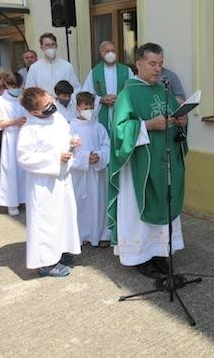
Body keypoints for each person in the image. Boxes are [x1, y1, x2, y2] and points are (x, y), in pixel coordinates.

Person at [107, 42, 188, 278]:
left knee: (164, 202)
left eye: (160, 64)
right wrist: (148, 126)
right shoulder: (128, 93)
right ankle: (141, 256)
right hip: (139, 166)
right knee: (139, 208)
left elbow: (173, 115)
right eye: (152, 64)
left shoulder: (163, 89)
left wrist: (181, 120)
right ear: (138, 64)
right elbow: (119, 131)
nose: (157, 69)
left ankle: (161, 253)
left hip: (163, 162)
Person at [17, 87, 81, 277]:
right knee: (46, 222)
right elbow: (24, 158)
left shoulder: (58, 118)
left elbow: (66, 135)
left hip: (63, 178)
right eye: (47, 105)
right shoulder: (29, 129)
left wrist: (73, 142)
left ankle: (62, 251)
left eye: (50, 101)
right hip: (43, 183)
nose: (52, 105)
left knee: (64, 217)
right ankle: (46, 263)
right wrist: (55, 157)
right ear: (35, 112)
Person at [70, 92, 111, 247]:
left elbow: (107, 146)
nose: (89, 110)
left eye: (91, 107)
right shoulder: (71, 127)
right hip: (81, 175)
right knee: (81, 204)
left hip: (98, 173)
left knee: (100, 203)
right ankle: (81, 234)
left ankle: (101, 234)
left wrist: (99, 156)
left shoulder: (99, 127)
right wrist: (85, 157)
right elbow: (69, 150)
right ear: (77, 108)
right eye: (85, 107)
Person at [0, 72, 26, 216]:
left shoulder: (24, 99)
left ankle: (25, 198)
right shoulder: (0, 101)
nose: (15, 88)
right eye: (12, 86)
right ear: (6, 85)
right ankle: (11, 203)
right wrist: (14, 122)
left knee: (25, 170)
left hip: (25, 137)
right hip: (10, 138)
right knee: (11, 170)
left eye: (17, 86)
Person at [81, 41, 133, 129]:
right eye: (107, 51)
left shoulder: (126, 71)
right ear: (101, 54)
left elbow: (132, 91)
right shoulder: (94, 72)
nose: (111, 53)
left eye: (113, 51)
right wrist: (100, 99)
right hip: (101, 112)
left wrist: (120, 98)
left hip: (121, 110)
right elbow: (85, 94)